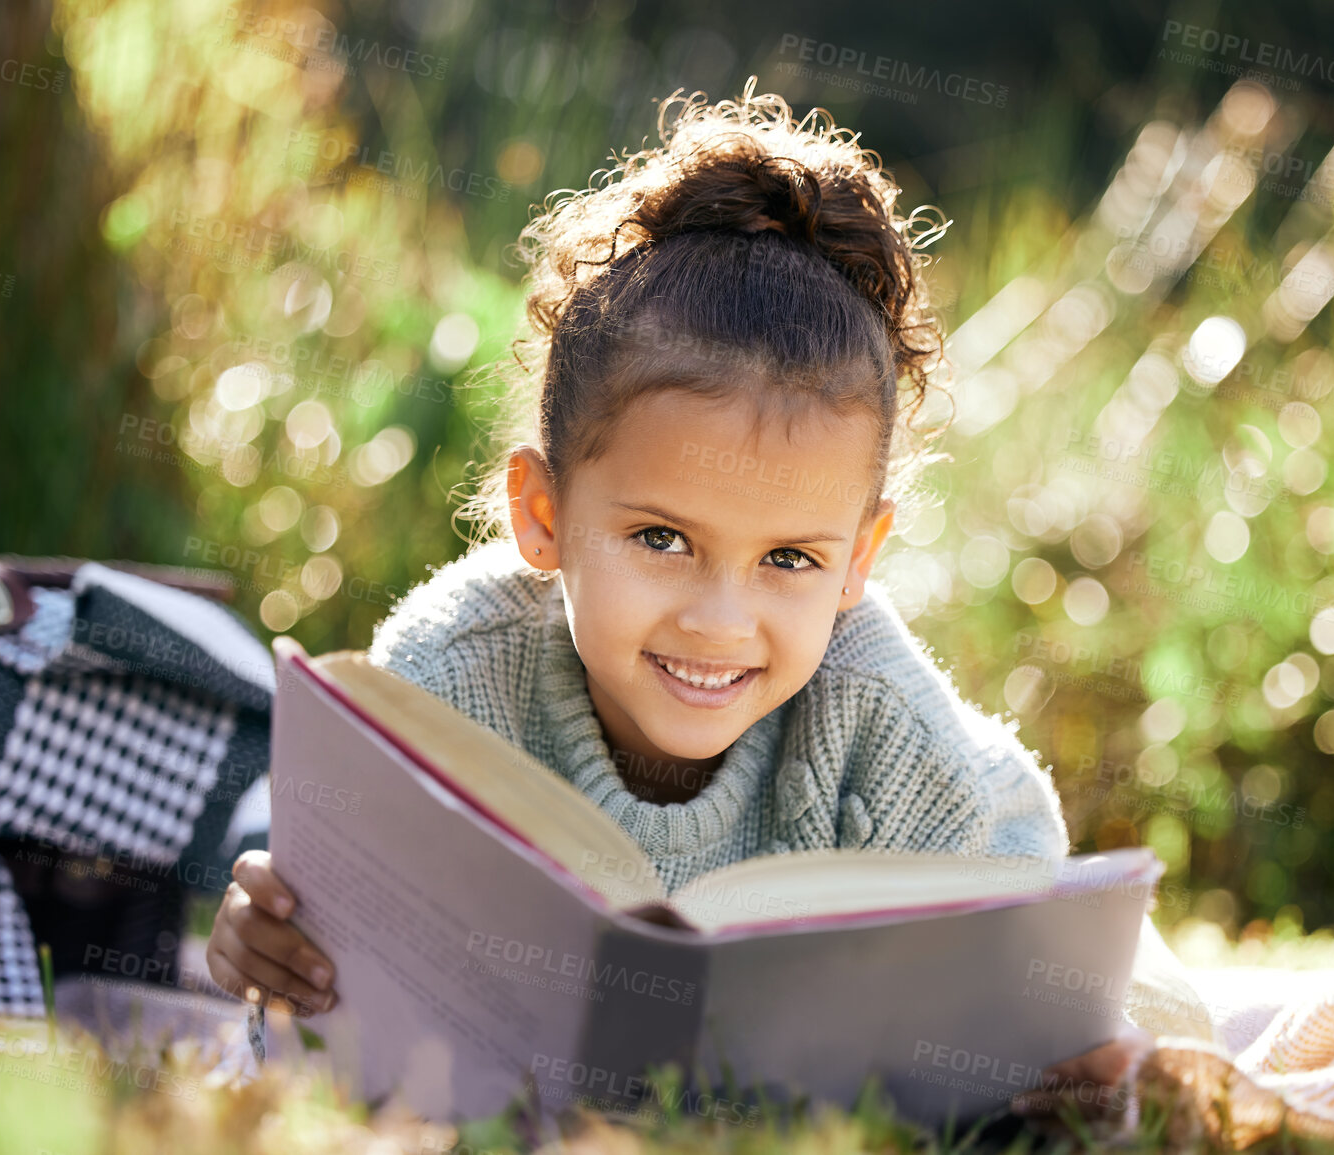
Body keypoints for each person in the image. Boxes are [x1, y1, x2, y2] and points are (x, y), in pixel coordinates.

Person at [206, 79, 1199, 1122]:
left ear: (860, 560)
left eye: (790, 561)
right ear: (542, 515)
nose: (720, 621)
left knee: (1149, 1044)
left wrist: (1087, 1059)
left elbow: (1052, 983)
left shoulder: (892, 739)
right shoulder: (451, 673)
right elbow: (327, 904)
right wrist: (266, 935)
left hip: (1002, 863)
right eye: (661, 539)